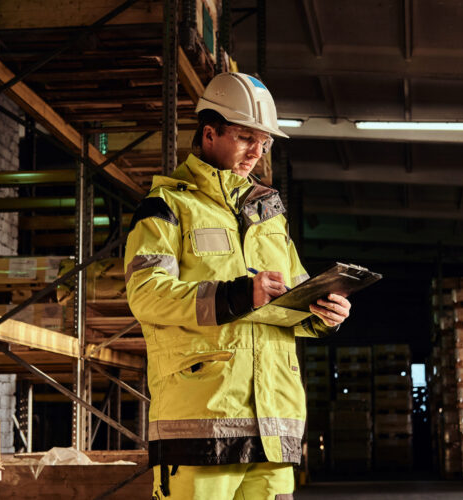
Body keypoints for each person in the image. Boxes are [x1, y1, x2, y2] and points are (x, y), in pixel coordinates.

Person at [124, 72, 351, 500]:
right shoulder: (167, 207)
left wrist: (324, 314)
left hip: (274, 427)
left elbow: (297, 292)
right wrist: (238, 294)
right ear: (210, 133)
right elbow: (147, 294)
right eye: (246, 137)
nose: (257, 152)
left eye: (264, 142)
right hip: (200, 423)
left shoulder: (270, 216)